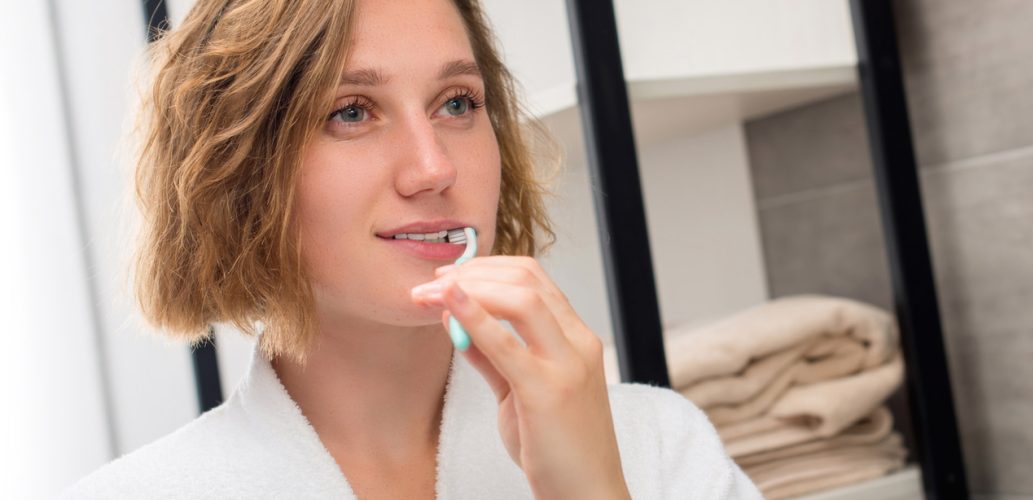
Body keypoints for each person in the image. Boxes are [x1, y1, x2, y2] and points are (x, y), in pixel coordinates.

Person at [64, 0, 763, 498]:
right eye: (352, 112)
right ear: (240, 172)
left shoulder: (657, 449)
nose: (433, 168)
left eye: (457, 103)